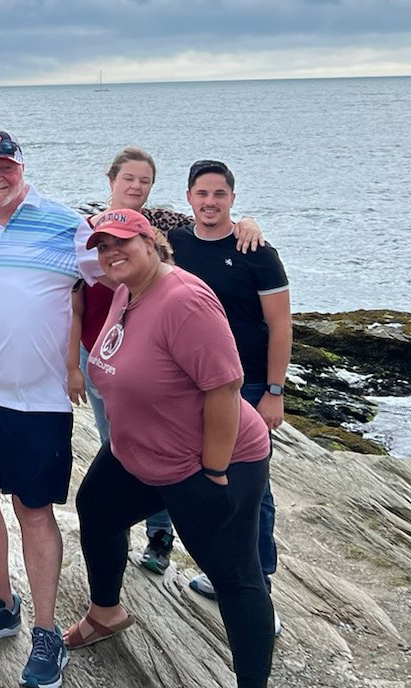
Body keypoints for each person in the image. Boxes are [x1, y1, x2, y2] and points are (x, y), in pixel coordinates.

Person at [65, 207, 274, 688]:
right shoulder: (125, 292)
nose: (112, 252)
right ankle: (106, 613)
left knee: (235, 576)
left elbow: (225, 386)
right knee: (96, 509)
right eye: (102, 246)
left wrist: (216, 473)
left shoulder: (184, 299)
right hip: (139, 452)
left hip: (206, 460)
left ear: (151, 242)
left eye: (123, 241)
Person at [0, 130, 101, 688]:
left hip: (42, 399)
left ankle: (48, 632)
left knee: (35, 511)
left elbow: (124, 270)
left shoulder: (66, 225)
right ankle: (2, 604)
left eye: (6, 166)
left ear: (22, 168)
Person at [66, 147, 262, 575]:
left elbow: (213, 224)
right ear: (111, 180)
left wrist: (248, 223)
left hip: (163, 356)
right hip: (103, 352)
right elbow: (74, 300)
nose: (136, 187)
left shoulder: (162, 223)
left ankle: (160, 535)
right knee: (119, 446)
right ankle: (116, 545)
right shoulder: (85, 231)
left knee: (166, 449)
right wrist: (71, 366)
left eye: (145, 181)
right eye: (128, 179)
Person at [169, 160, 290, 618]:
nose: (210, 202)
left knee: (253, 488)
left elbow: (280, 325)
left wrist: (274, 391)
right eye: (202, 193)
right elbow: (125, 220)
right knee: (207, 481)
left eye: (220, 194)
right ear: (189, 198)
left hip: (248, 385)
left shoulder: (256, 252)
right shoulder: (176, 244)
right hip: (192, 385)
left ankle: (259, 589)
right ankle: (226, 575)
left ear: (233, 200)